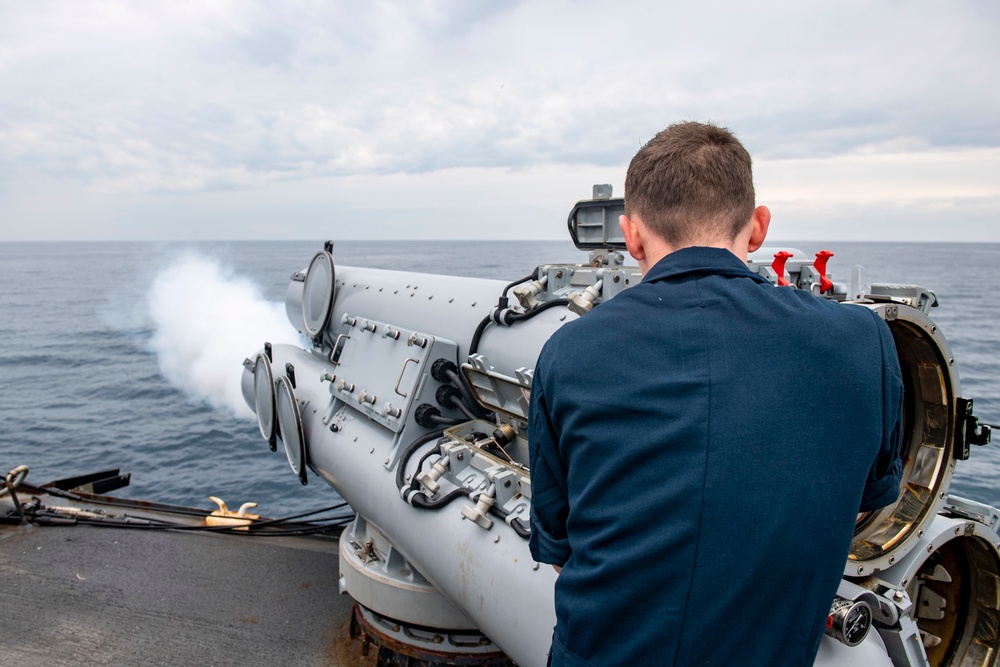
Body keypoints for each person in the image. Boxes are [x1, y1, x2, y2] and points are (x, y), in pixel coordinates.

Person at [528, 121, 903, 666]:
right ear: (758, 229)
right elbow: (866, 499)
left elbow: (561, 547)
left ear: (631, 235)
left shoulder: (569, 353)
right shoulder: (863, 340)